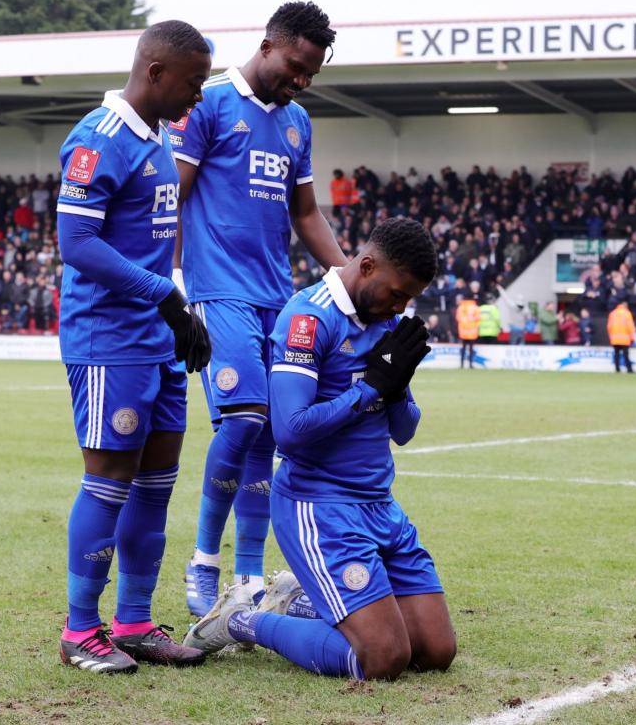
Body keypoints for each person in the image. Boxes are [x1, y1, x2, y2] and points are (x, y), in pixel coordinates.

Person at [184, 217, 457, 682]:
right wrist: (369, 389)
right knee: (384, 658)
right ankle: (239, 620)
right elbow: (289, 430)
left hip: (379, 505)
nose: (401, 306)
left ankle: (302, 600)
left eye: (409, 298)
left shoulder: (387, 322)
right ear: (366, 266)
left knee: (435, 651)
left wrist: (397, 386)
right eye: (397, 293)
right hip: (319, 507)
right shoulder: (308, 316)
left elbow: (405, 431)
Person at [171, 2, 348, 617]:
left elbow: (305, 214)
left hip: (278, 296)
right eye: (297, 66)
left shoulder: (297, 122)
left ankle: (247, 577)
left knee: (272, 435)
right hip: (218, 291)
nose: (301, 80)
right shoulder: (209, 104)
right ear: (270, 45)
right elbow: (174, 195)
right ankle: (204, 559)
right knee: (243, 421)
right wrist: (166, 284)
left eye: (312, 73)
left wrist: (347, 277)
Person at [55, 21, 214, 673]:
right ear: (155, 72)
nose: (197, 97)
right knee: (108, 482)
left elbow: (151, 243)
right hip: (108, 341)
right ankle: (78, 631)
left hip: (157, 340)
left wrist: (177, 306)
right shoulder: (99, 138)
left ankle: (135, 622)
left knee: (157, 483)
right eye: (193, 82)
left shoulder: (158, 142)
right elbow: (78, 245)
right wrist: (164, 295)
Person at [607, 300, 636, 374]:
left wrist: (611, 337)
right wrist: (632, 338)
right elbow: (631, 327)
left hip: (615, 338)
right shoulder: (627, 314)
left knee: (616, 354)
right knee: (626, 355)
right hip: (625, 339)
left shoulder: (612, 313)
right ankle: (629, 369)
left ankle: (617, 369)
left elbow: (609, 327)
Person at [455, 285, 480, 368]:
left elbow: (458, 318)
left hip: (463, 331)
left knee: (463, 348)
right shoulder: (475, 307)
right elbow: (478, 318)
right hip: (472, 331)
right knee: (471, 349)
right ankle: (470, 364)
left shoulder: (460, 307)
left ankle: (462, 364)